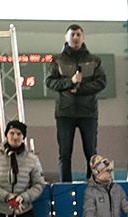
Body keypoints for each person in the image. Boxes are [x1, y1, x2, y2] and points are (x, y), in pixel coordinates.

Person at [45, 24, 107, 182]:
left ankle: (92, 182)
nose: (76, 37)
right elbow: (50, 82)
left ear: (83, 37)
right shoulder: (57, 60)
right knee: (65, 153)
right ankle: (65, 185)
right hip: (65, 113)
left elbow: (101, 83)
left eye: (78, 34)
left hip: (88, 112)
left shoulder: (94, 60)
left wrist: (79, 89)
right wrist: (69, 82)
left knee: (91, 152)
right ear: (66, 37)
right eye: (72, 34)